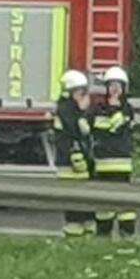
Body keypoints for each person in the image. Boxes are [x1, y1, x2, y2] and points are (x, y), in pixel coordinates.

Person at [90, 65, 136, 237]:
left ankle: (127, 234)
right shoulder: (98, 108)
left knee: (125, 203)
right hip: (103, 163)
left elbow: (116, 126)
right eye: (112, 85)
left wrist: (115, 110)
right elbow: (98, 128)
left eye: (119, 85)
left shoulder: (127, 109)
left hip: (122, 163)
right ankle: (103, 235)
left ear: (124, 88)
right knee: (104, 203)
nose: (115, 89)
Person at [52, 69, 95, 238]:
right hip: (69, 160)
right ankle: (75, 229)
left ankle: (83, 226)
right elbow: (77, 131)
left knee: (83, 197)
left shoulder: (72, 109)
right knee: (74, 197)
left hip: (78, 159)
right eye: (81, 92)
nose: (84, 95)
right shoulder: (67, 110)